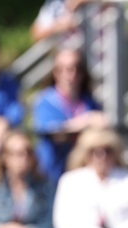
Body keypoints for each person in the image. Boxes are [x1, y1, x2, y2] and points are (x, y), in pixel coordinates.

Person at [52, 127, 128, 228]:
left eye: (107, 150)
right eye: (94, 151)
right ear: (85, 154)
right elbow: (63, 223)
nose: (101, 156)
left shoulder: (125, 179)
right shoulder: (71, 181)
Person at [30, 47, 107, 184]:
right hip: (53, 175)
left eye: (76, 68)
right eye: (63, 69)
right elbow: (55, 134)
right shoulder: (45, 101)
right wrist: (87, 121)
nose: (71, 74)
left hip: (84, 175)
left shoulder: (90, 102)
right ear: (55, 73)